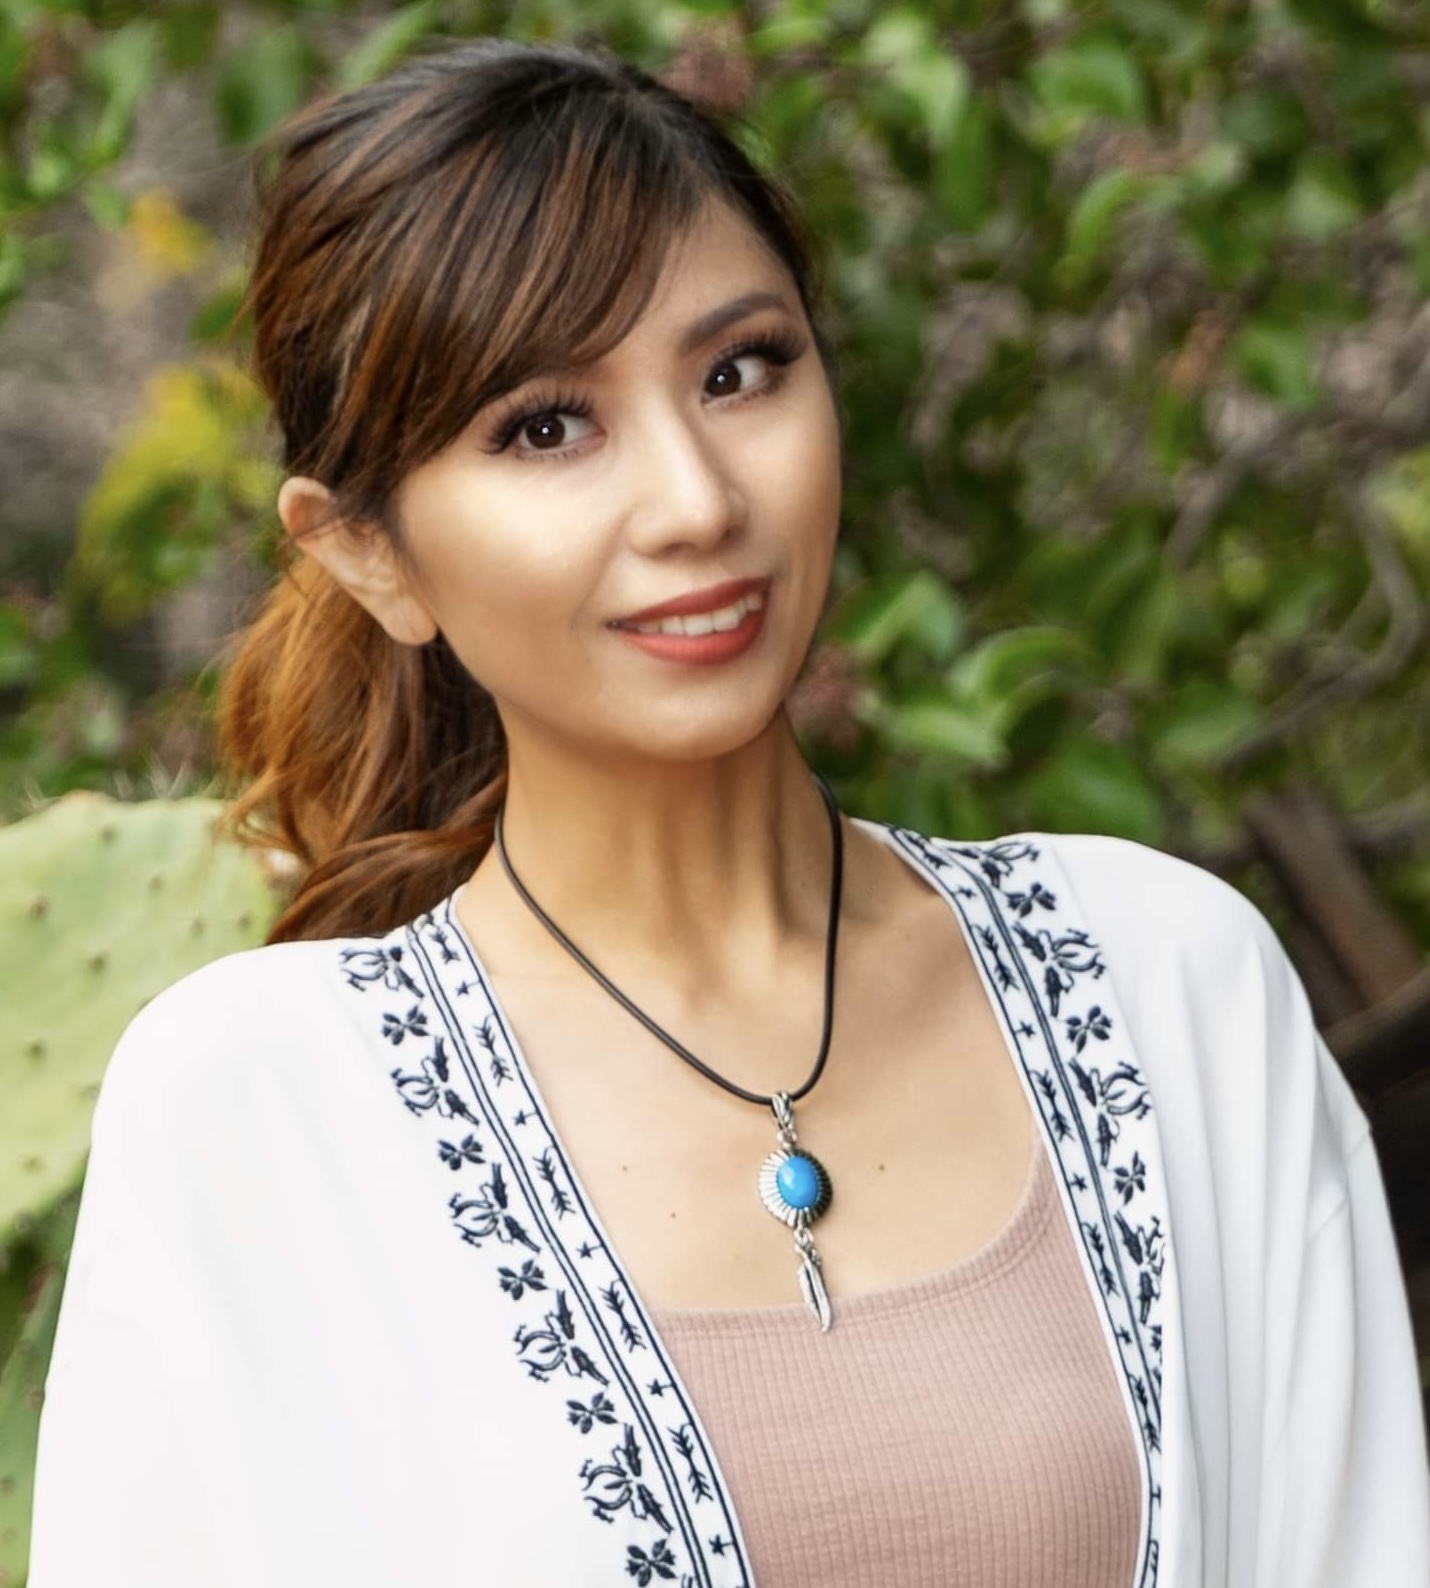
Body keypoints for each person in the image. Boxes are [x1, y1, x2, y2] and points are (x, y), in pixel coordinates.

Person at [27, 35, 1430, 1588]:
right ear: (370, 556)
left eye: (739, 369)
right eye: (544, 427)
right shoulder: (256, 1110)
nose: (697, 499)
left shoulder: (1170, 983)